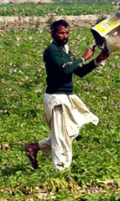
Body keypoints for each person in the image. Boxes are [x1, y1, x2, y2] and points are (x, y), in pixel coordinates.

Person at [24, 19, 109, 170]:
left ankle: (34, 147)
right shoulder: (51, 51)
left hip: (67, 96)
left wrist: (97, 60)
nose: (65, 36)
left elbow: (79, 72)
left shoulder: (66, 51)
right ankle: (60, 172)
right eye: (61, 33)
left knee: (68, 132)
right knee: (61, 138)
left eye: (67, 33)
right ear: (53, 34)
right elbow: (65, 70)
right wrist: (83, 58)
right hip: (56, 98)